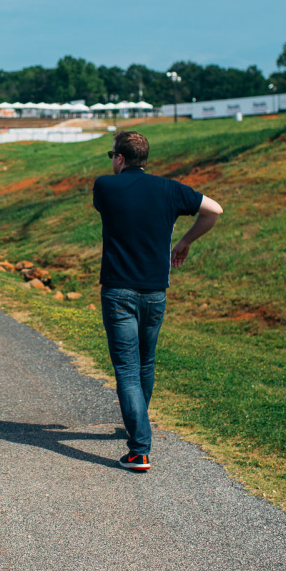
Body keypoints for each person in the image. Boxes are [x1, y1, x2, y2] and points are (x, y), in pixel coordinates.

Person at [93, 130, 222, 472]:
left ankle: (139, 449)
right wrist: (184, 242)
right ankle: (139, 426)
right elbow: (214, 210)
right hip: (155, 292)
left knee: (126, 369)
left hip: (118, 291)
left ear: (119, 158)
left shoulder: (104, 187)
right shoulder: (170, 189)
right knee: (145, 364)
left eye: (113, 157)